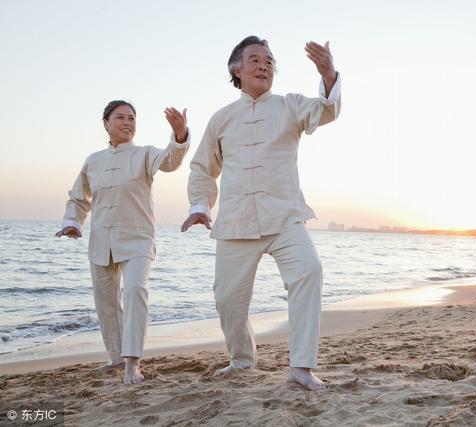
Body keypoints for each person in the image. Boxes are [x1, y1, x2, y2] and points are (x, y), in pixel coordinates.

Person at [181, 35, 341, 391]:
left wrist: (328, 75)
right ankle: (241, 360)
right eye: (254, 59)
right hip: (236, 222)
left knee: (308, 270)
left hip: (285, 217)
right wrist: (200, 205)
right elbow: (202, 168)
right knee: (227, 299)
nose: (264, 64)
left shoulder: (290, 105)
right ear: (236, 70)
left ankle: (301, 366)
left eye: (269, 60)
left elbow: (326, 110)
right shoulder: (221, 118)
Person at [56, 100, 190, 384]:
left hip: (138, 239)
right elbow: (79, 197)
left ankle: (132, 363)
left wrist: (179, 136)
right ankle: (115, 358)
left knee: (134, 291)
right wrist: (72, 223)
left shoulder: (144, 155)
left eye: (132, 118)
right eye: (120, 117)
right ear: (105, 122)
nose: (128, 122)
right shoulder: (93, 160)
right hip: (101, 241)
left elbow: (170, 160)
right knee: (106, 304)